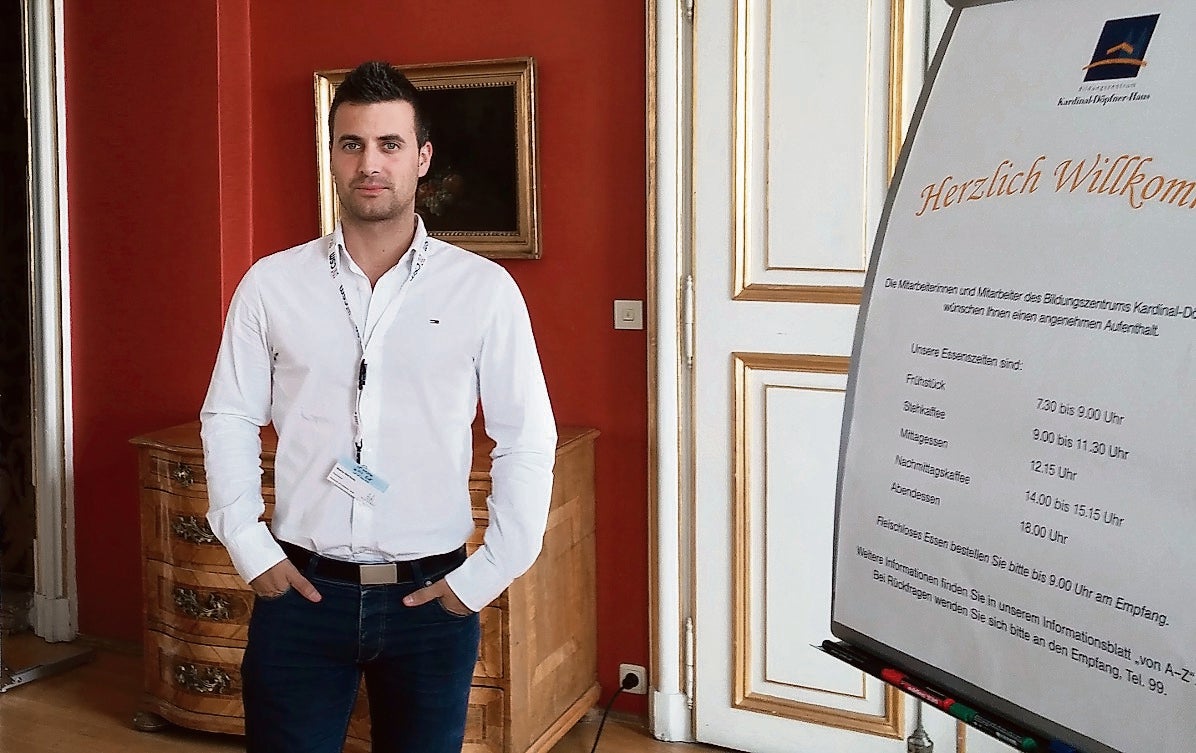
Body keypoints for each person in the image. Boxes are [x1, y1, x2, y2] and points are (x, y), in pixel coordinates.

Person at [200, 60, 556, 753]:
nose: (370, 163)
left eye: (390, 144)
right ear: (332, 156)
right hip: (299, 592)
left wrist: (490, 571)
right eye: (352, 144)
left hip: (432, 598)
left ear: (422, 157)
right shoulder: (271, 285)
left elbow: (526, 436)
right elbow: (229, 415)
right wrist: (246, 543)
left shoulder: (483, 291)